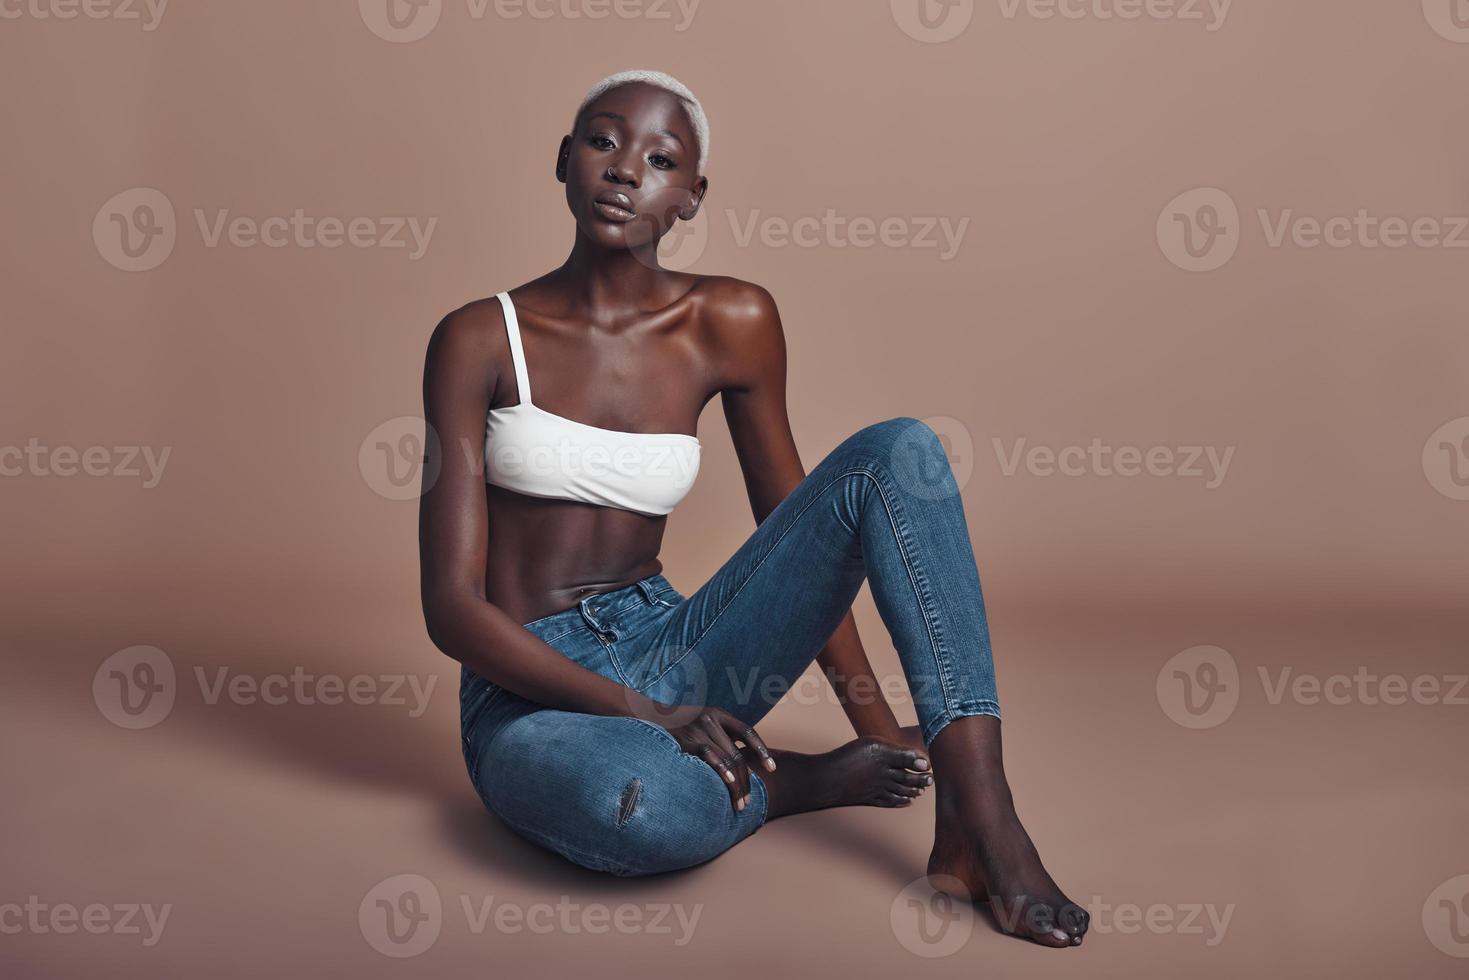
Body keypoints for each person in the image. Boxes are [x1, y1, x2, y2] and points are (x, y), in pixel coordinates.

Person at [418, 69, 1088, 947]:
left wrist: (882, 728)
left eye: (660, 159)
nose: (624, 170)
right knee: (630, 807)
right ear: (563, 160)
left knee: (900, 453)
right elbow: (452, 611)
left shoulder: (729, 319)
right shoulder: (475, 337)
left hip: (677, 640)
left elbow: (807, 526)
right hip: (529, 689)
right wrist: (643, 714)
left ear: (690, 197)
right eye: (602, 141)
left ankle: (980, 813)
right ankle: (794, 784)